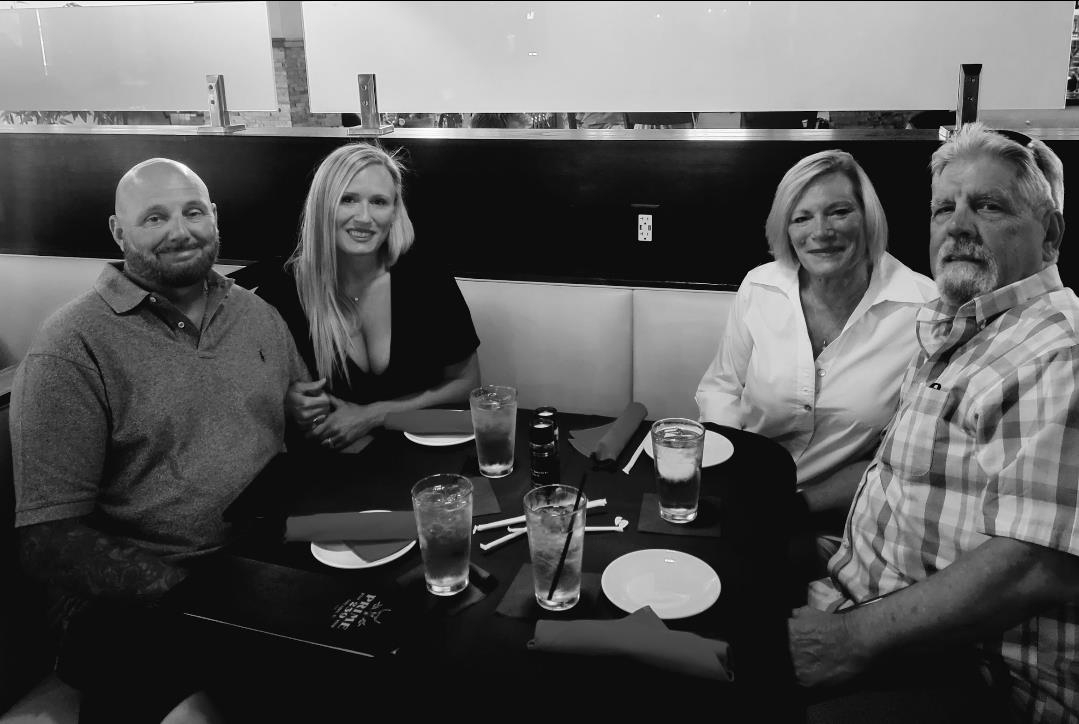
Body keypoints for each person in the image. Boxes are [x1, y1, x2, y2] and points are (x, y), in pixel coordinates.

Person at [790, 123, 1079, 722]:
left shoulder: (1057, 350)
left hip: (974, 677)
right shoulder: (959, 324)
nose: (957, 225)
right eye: (943, 208)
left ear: (1048, 233)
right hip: (867, 593)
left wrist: (848, 641)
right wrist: (792, 506)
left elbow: (1034, 566)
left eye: (988, 206)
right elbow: (897, 469)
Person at [11, 158, 308, 722]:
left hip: (259, 562)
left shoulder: (257, 313)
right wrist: (193, 597)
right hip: (131, 600)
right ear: (119, 232)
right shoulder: (71, 347)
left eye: (193, 211)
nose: (180, 230)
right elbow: (48, 539)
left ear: (214, 218)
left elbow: (295, 421)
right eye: (154, 218)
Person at [695, 150, 936, 524]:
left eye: (839, 212)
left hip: (847, 518)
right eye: (802, 218)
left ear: (868, 217)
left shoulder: (925, 310)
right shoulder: (760, 287)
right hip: (745, 497)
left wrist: (792, 510)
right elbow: (722, 387)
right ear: (786, 230)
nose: (821, 232)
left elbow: (907, 455)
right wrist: (731, 471)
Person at [256, 143, 480, 452]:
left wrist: (373, 415)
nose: (364, 217)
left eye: (378, 202)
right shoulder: (281, 293)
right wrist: (288, 402)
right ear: (322, 206)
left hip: (426, 456)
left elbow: (468, 385)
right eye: (347, 199)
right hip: (334, 474)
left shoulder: (426, 277)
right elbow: (260, 402)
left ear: (394, 212)